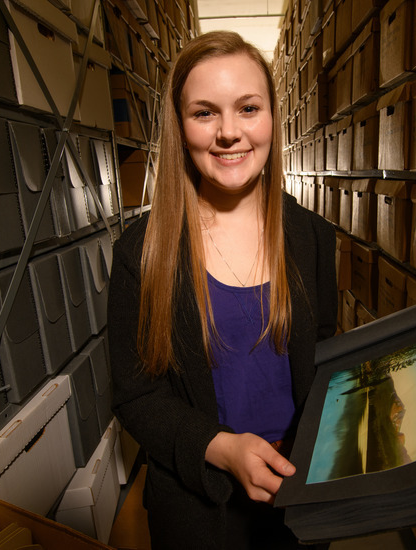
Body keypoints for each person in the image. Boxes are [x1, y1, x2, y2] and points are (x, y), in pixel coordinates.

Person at [107, 30, 337, 549]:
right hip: (199, 510)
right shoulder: (142, 253)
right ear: (180, 126)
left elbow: (325, 354)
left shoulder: (314, 237)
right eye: (205, 112)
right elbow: (136, 394)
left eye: (248, 108)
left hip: (302, 493)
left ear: (273, 119)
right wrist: (221, 448)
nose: (229, 132)